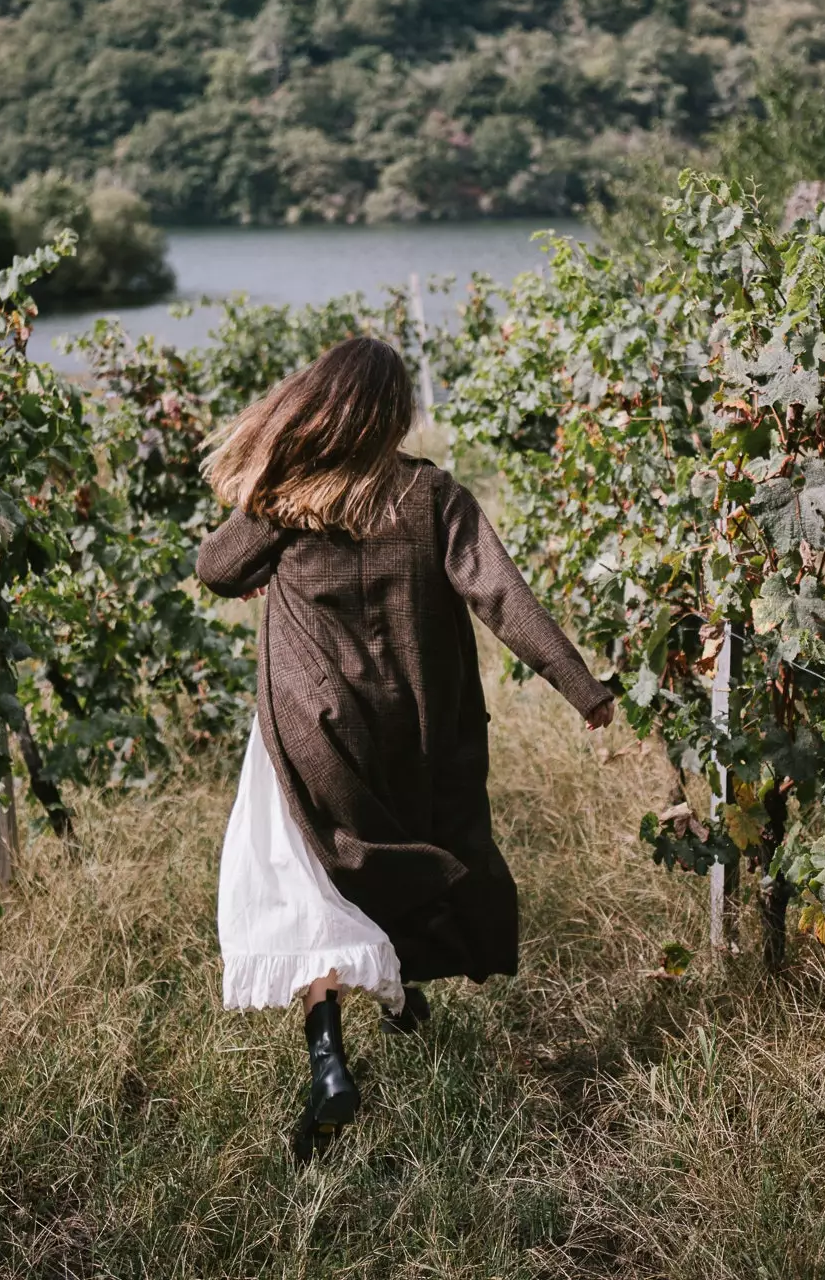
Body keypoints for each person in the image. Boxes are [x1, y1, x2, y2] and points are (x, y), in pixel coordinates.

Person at [196, 336, 615, 1162]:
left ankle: (327, 1063)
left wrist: (261, 548)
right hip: (408, 729)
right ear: (392, 417)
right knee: (401, 854)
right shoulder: (431, 495)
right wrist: (584, 689)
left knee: (303, 885)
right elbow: (502, 593)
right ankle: (399, 998)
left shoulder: (286, 503)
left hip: (310, 731)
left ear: (318, 408)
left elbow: (214, 567)